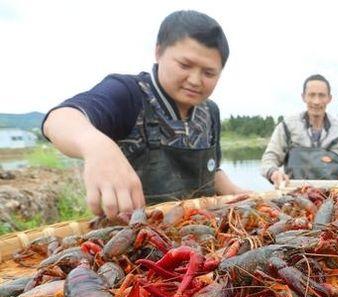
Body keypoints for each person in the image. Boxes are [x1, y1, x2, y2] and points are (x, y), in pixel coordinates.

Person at [42, 10, 246, 219]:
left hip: (204, 233)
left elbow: (213, 172)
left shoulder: (210, 112)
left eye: (209, 73)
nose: (195, 80)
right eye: (185, 65)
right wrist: (96, 146)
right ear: (158, 52)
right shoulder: (129, 94)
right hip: (137, 237)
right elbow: (59, 119)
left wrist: (240, 194)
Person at [260, 74, 338, 188]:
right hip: (295, 198)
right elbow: (269, 159)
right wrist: (273, 173)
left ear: (329, 98)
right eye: (311, 95)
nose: (316, 101)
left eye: (322, 95)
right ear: (303, 97)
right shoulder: (287, 126)